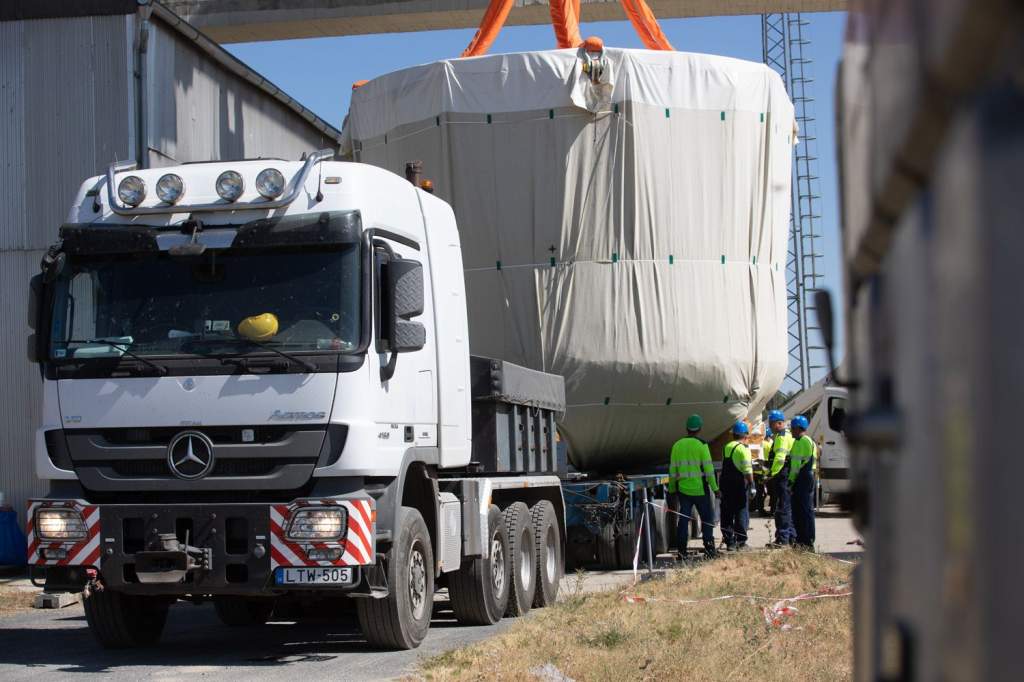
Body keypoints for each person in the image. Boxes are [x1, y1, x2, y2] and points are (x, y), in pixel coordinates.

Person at [667, 414, 718, 558]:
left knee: (683, 520)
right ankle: (709, 550)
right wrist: (715, 488)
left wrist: (672, 489)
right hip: (700, 490)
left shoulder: (677, 445)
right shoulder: (702, 445)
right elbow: (709, 470)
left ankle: (682, 551)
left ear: (687, 428)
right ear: (700, 428)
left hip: (683, 490)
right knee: (707, 520)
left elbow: (672, 471)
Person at [719, 422, 755, 550]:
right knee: (741, 513)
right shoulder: (743, 449)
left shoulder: (726, 447)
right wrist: (752, 485)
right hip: (739, 485)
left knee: (727, 513)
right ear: (745, 435)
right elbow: (747, 470)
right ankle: (741, 542)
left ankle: (730, 542)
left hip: (725, 484)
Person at [765, 410, 796, 546]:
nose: (770, 427)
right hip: (785, 475)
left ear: (779, 423)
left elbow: (779, 458)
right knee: (786, 506)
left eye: (772, 424)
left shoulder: (782, 436)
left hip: (781, 475)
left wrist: (771, 474)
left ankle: (783, 539)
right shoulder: (786, 435)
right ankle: (790, 537)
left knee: (782, 507)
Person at [788, 415, 818, 550]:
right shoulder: (808, 441)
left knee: (802, 510)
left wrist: (790, 481)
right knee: (804, 510)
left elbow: (795, 466)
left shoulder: (801, 442)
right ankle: (804, 539)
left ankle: (805, 541)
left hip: (803, 478)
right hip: (808, 477)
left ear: (798, 428)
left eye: (792, 428)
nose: (791, 431)